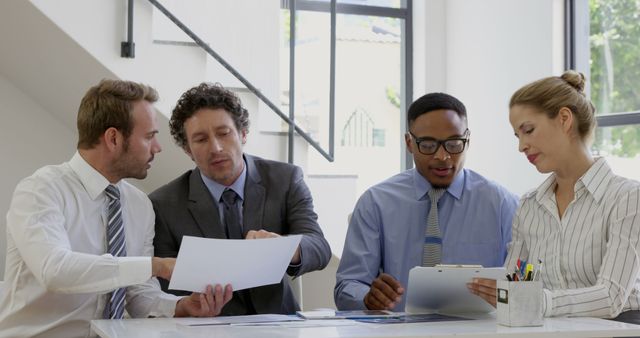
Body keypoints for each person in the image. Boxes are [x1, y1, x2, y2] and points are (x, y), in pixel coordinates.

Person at [0, 79, 232, 338]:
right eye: (149, 137)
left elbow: (138, 294)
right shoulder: (41, 190)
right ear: (113, 138)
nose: (158, 148)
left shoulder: (138, 204)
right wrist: (156, 265)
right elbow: (55, 271)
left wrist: (181, 306)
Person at [467, 70, 640, 321]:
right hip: (551, 331)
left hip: (618, 330)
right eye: (518, 135)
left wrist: (538, 301)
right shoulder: (529, 206)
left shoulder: (627, 198)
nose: (521, 146)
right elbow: (513, 285)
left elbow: (611, 297)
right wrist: (484, 291)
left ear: (564, 119)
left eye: (528, 130)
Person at [150, 82, 332, 315]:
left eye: (224, 134)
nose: (215, 148)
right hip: (207, 329)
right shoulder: (163, 204)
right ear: (188, 150)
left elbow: (319, 247)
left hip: (279, 326)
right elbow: (166, 291)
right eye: (201, 139)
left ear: (243, 134)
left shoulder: (285, 179)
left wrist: (284, 247)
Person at [334, 92, 519, 311]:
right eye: (429, 145)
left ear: (467, 139)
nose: (442, 156)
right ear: (409, 142)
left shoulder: (501, 204)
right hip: (400, 332)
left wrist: (512, 294)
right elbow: (348, 285)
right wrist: (367, 297)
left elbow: (525, 284)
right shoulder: (376, 203)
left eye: (453, 143)